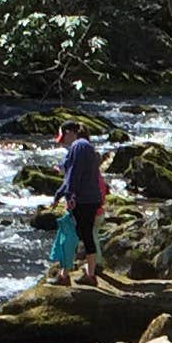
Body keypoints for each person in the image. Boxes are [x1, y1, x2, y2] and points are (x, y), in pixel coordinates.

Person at [51, 117, 110, 286]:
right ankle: (90, 275)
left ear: (70, 132)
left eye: (63, 138)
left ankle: (64, 275)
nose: (63, 142)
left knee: (69, 236)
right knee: (86, 236)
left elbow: (73, 175)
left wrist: (66, 195)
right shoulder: (86, 146)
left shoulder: (78, 146)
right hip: (91, 199)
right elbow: (73, 171)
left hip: (82, 201)